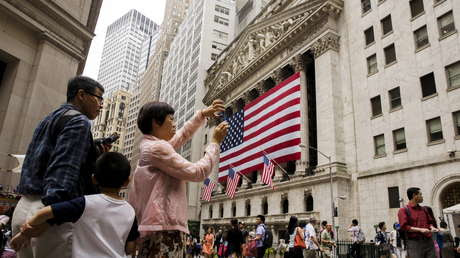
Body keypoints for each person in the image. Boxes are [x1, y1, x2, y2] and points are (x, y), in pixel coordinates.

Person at [12, 76, 108, 258]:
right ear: (81, 95)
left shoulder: (49, 118)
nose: (101, 104)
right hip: (49, 214)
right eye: (99, 98)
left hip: (24, 207)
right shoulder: (80, 122)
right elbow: (63, 173)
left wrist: (91, 149)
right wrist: (50, 218)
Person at [128, 100, 228, 257]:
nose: (175, 124)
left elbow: (182, 135)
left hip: (159, 226)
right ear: (156, 123)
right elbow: (197, 172)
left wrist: (202, 115)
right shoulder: (157, 148)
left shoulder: (150, 145)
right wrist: (214, 143)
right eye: (171, 119)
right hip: (165, 227)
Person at [10, 152, 139, 257]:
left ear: (93, 179)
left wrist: (24, 234)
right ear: (127, 182)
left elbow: (43, 213)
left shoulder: (85, 203)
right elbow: (129, 248)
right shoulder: (131, 212)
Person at [398, 187, 439, 258]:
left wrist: (432, 227)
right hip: (414, 243)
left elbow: (429, 223)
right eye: (420, 194)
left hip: (429, 241)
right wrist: (420, 230)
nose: (422, 196)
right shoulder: (403, 210)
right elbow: (404, 226)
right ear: (414, 195)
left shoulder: (424, 209)